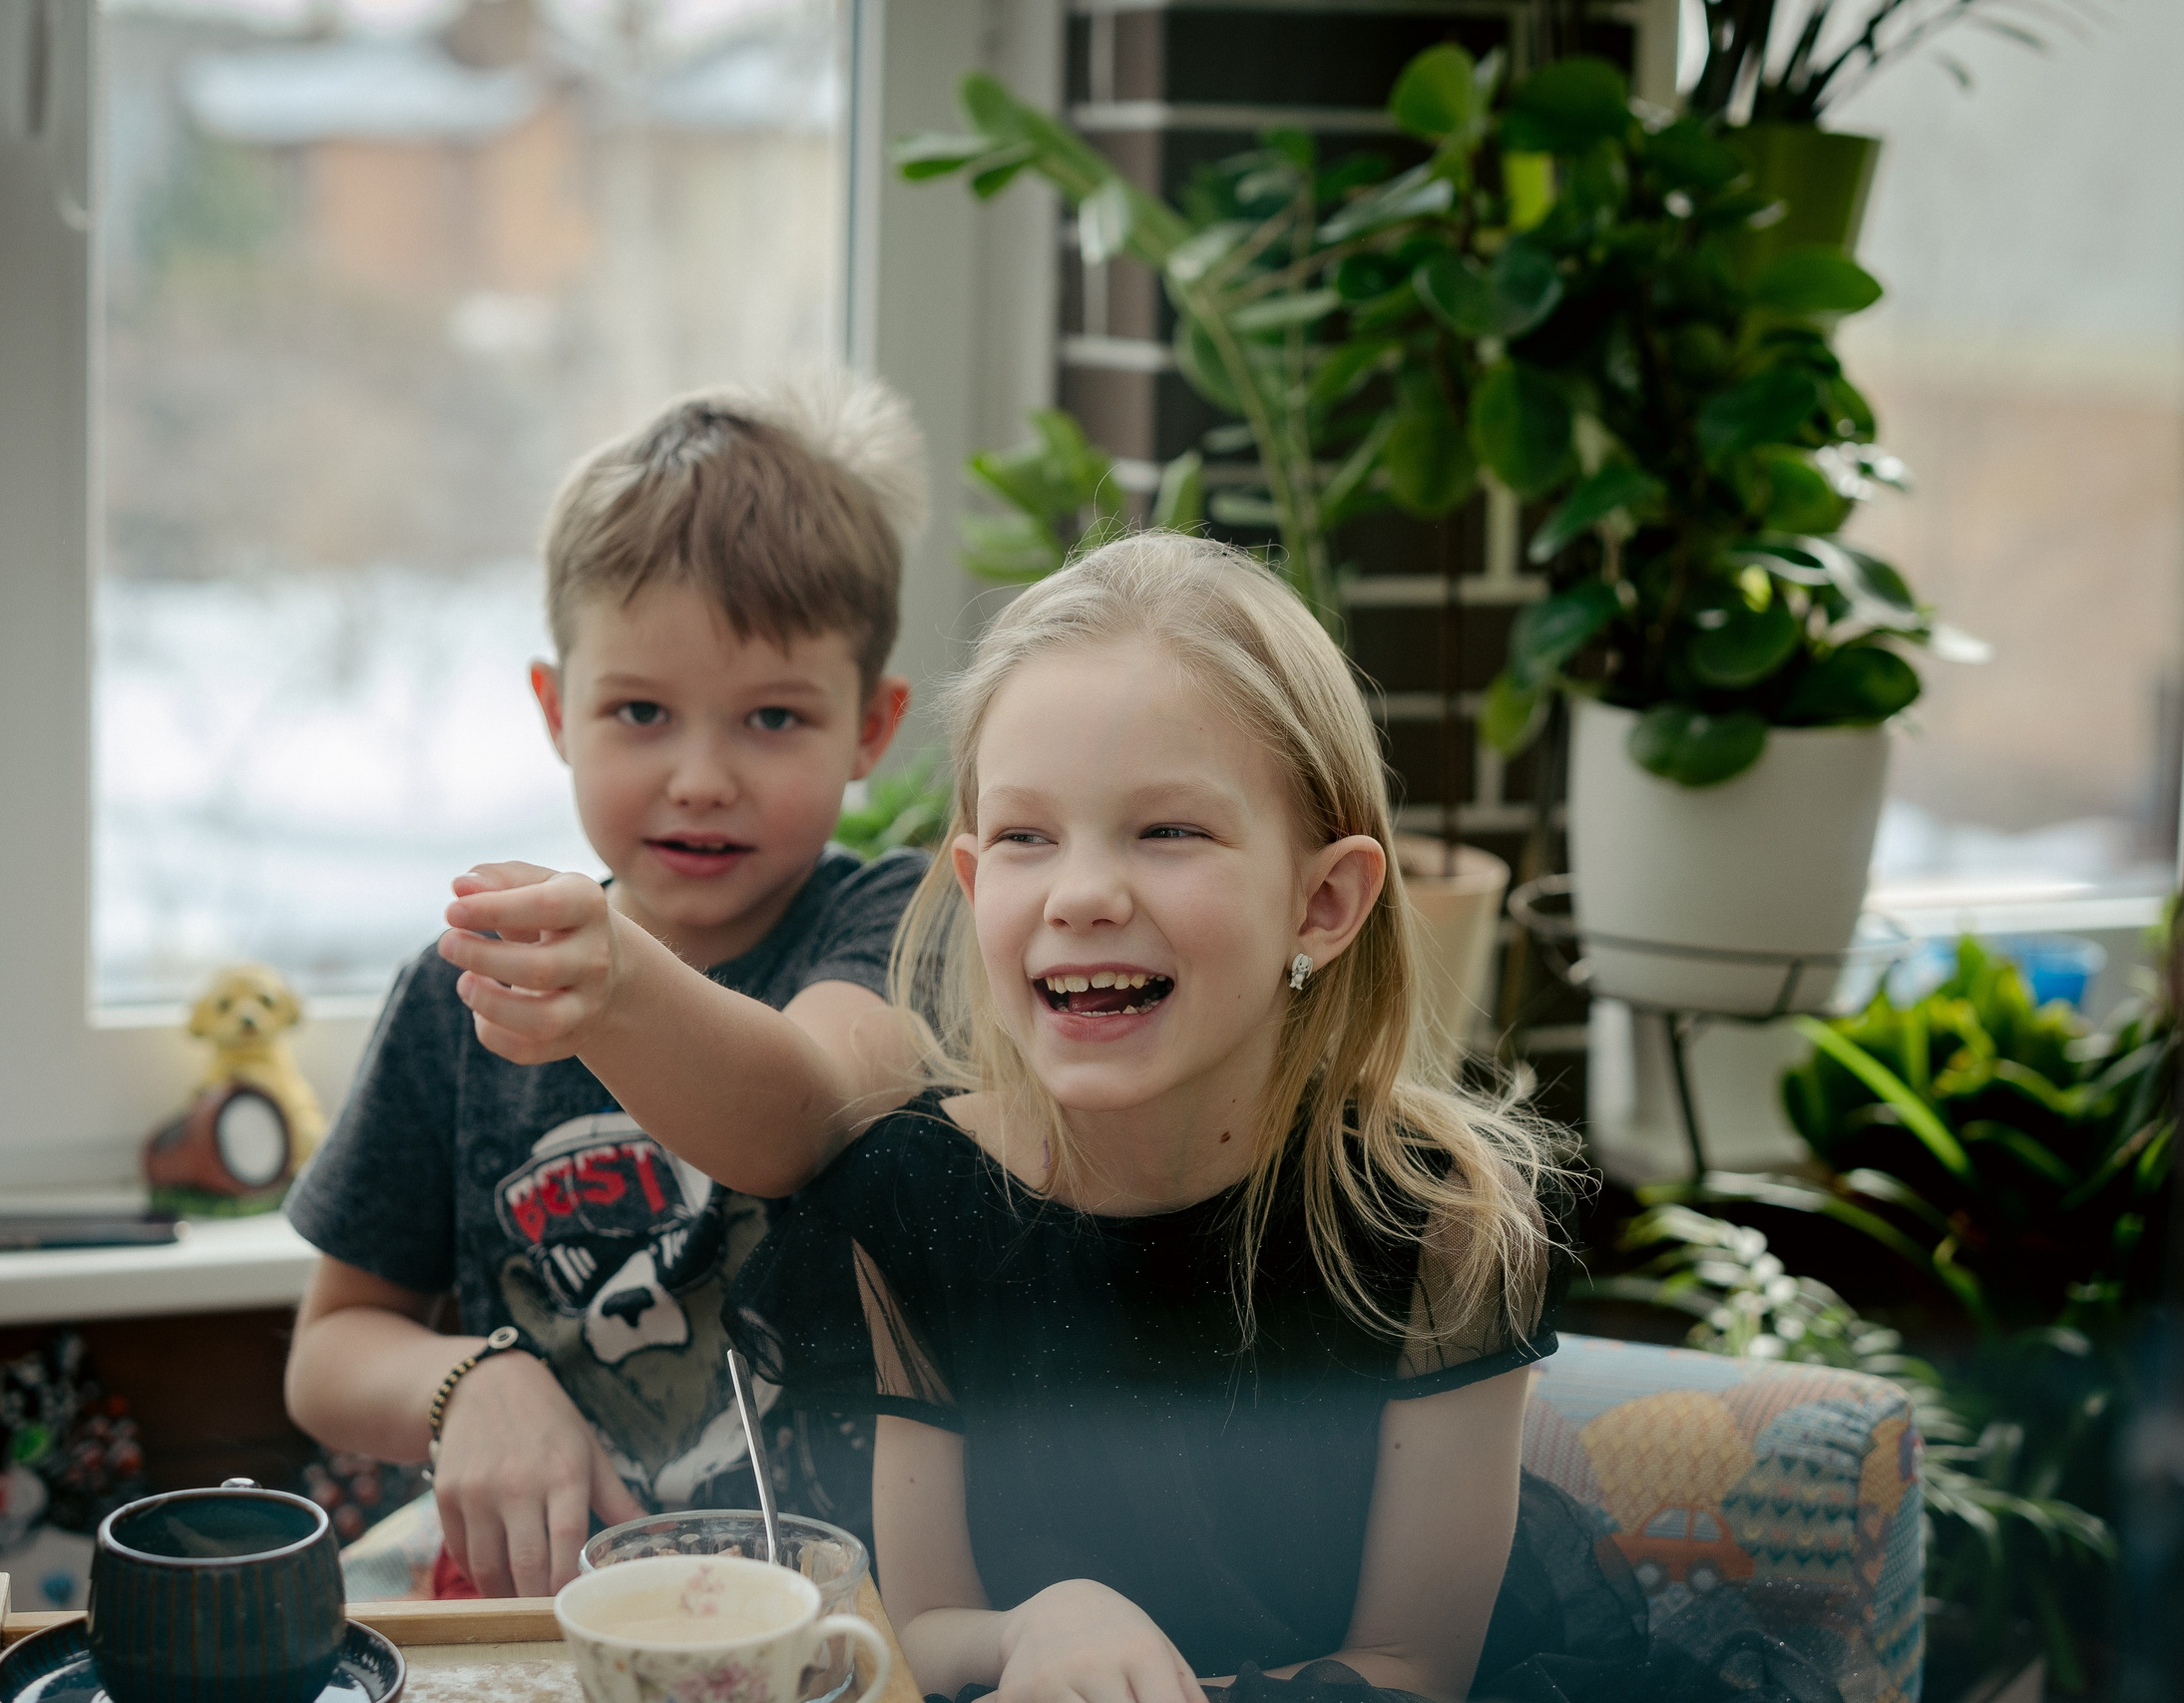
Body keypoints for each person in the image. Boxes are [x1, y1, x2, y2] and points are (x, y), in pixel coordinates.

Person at [729, 536, 1833, 1703]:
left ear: (1321, 902)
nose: (1082, 892)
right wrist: (1039, 1626)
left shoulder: (1437, 1221)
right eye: (1024, 837)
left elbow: (1413, 1667)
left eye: (1168, 831)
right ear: (969, 884)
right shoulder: (916, 1198)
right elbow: (928, 1622)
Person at [283, 370, 931, 1600]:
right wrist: (471, 1379)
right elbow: (327, 1353)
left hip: (834, 1621)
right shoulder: (460, 996)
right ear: (554, 709)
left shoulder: (894, 925)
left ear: (872, 727)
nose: (700, 777)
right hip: (537, 1612)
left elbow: (798, 1118)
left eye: (774, 719)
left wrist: (620, 985)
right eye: (640, 710)